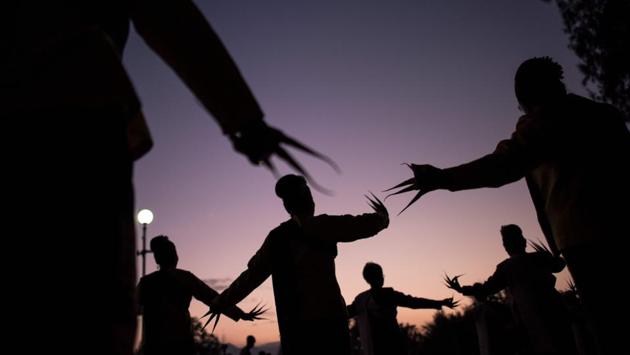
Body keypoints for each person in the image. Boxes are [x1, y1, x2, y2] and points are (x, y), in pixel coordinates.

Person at [9, 2, 333, 354]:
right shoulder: (181, 279)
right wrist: (241, 116)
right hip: (84, 114)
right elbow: (166, 15)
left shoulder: (149, 284)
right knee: (97, 295)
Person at [387, 57, 629, 355]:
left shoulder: (545, 121)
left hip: (586, 237)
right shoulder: (605, 115)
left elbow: (505, 164)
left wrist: (443, 178)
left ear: (526, 98)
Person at [210, 175, 390, 355]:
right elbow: (364, 225)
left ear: (287, 207)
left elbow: (250, 277)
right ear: (310, 200)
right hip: (332, 324)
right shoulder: (325, 226)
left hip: (296, 331)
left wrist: (220, 301)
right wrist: (382, 218)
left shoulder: (276, 238)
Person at [445, 225, 576, 355]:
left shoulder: (507, 268)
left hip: (530, 323)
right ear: (523, 241)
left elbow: (486, 289)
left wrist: (462, 289)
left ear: (506, 246)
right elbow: (559, 265)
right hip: (556, 315)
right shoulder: (540, 257)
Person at [138, 236, 261, 355]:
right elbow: (212, 297)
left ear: (157, 259)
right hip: (181, 343)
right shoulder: (185, 278)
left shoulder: (146, 282)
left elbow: (131, 309)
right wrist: (239, 313)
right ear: (175, 256)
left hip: (153, 344)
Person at [347, 262, 456, 355]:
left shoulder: (360, 300)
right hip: (394, 346)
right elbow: (413, 302)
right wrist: (439, 303)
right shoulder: (389, 294)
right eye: (381, 274)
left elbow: (345, 312)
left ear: (367, 279)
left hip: (373, 349)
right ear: (380, 276)